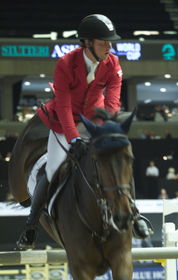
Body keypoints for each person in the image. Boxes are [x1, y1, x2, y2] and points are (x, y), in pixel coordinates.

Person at [17, 14, 152, 249]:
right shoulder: (66, 64)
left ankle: (135, 214)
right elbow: (64, 106)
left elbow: (112, 102)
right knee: (52, 169)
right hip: (63, 122)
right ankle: (31, 226)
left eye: (110, 42)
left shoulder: (113, 63)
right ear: (87, 43)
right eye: (103, 42)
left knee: (116, 160)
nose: (110, 46)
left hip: (94, 120)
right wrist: (74, 138)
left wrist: (104, 130)